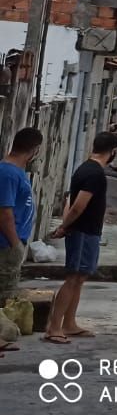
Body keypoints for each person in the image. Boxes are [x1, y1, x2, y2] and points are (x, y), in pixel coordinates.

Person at [44, 131, 117, 344]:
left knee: (80, 278)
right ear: (112, 152)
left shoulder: (85, 169)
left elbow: (70, 199)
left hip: (88, 232)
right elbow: (77, 206)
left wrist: (65, 225)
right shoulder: (94, 174)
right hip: (83, 232)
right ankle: (54, 327)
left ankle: (69, 323)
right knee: (73, 278)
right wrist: (64, 227)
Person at [0, 128, 42, 356]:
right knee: (3, 291)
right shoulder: (7, 173)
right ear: (34, 151)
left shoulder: (15, 172)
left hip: (12, 241)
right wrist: (15, 243)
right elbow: (4, 213)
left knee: (7, 291)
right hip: (6, 244)